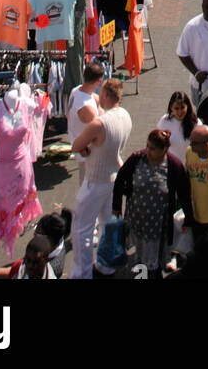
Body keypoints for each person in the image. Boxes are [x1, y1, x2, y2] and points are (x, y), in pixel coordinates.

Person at [70, 78, 133, 279]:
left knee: (81, 228)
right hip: (114, 178)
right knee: (107, 222)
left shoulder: (99, 123)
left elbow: (76, 146)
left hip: (96, 179)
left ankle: (82, 273)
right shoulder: (125, 116)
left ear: (105, 95)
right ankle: (106, 266)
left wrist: (88, 146)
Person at [113, 127, 193, 278]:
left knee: (153, 262)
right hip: (137, 219)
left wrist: (189, 218)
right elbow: (120, 180)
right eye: (147, 146)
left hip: (158, 226)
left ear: (164, 149)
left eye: (153, 149)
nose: (148, 151)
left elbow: (183, 193)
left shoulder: (174, 165)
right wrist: (116, 207)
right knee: (140, 256)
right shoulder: (137, 158)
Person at [66, 59, 104, 178]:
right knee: (87, 187)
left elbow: (95, 98)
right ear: (99, 80)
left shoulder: (76, 90)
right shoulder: (88, 109)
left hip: (78, 143)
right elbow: (99, 132)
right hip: (86, 154)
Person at [157, 91, 198, 164]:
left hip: (190, 166)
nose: (180, 112)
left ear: (187, 107)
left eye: (182, 108)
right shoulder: (164, 121)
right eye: (176, 108)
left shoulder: (196, 123)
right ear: (171, 108)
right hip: (171, 166)